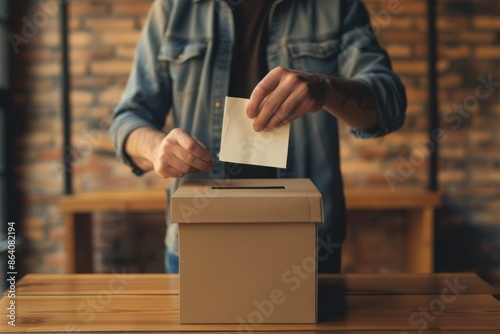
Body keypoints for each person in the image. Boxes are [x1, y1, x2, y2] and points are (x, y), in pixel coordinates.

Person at [110, 0, 407, 274]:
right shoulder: (174, 8)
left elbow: (388, 104)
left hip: (306, 243)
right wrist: (156, 147)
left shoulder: (334, 6)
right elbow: (128, 119)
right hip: (197, 240)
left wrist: (325, 87)